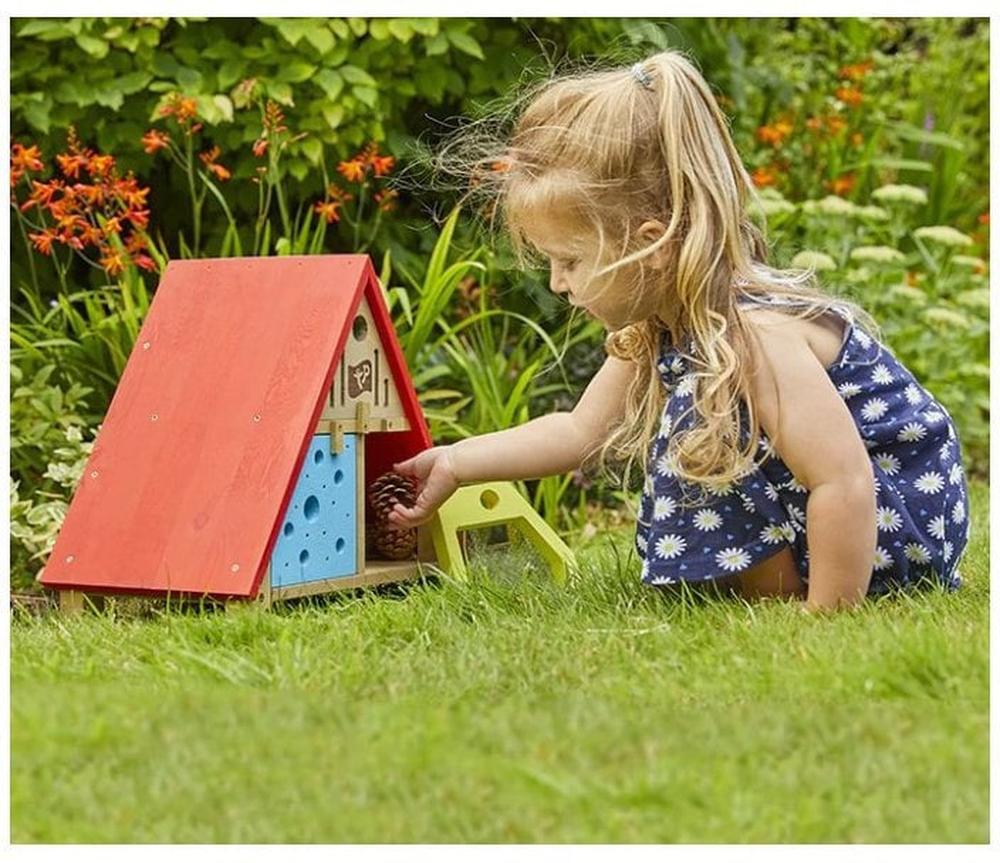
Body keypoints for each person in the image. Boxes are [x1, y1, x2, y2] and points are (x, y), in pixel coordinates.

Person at [386, 50, 972, 612]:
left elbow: (843, 479)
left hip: (892, 521)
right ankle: (769, 591)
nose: (558, 284)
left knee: (704, 440)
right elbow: (579, 431)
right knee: (703, 432)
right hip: (848, 512)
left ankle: (803, 597)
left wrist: (830, 615)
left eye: (569, 261)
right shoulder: (665, 322)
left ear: (650, 246)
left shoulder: (756, 334)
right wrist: (457, 462)